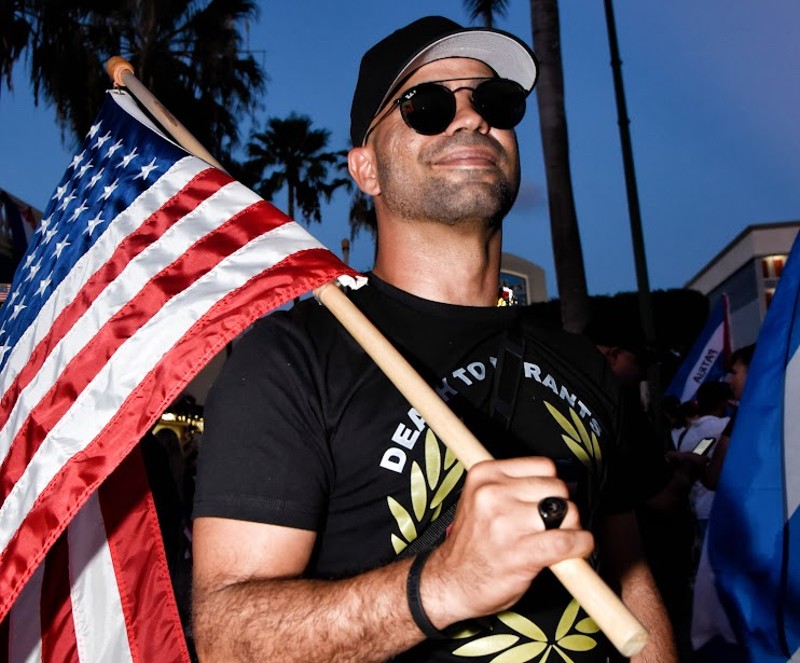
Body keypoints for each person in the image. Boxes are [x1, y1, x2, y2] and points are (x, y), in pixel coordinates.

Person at [191, 16, 676, 662]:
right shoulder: (292, 358)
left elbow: (631, 575)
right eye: (428, 105)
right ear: (366, 169)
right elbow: (226, 635)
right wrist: (442, 585)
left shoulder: (582, 364)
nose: (472, 119)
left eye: (496, 102)